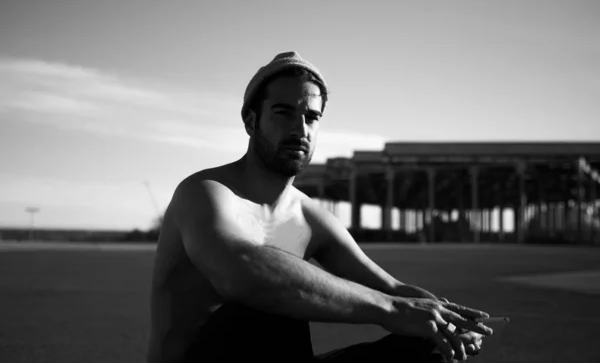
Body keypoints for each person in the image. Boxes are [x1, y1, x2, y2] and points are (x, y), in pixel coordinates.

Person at [146, 51, 493, 363]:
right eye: (283, 113)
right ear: (251, 122)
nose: (300, 129)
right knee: (265, 308)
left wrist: (446, 319)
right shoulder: (207, 192)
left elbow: (392, 288)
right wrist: (388, 309)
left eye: (311, 117)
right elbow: (240, 271)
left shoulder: (310, 217)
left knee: (429, 347)